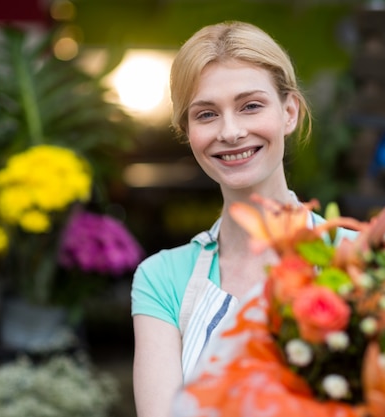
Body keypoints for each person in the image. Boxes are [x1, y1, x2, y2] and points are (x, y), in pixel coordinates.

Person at [130, 20, 355, 417]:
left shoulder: (353, 257)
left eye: (250, 106)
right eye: (206, 114)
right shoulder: (162, 278)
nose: (230, 132)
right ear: (187, 131)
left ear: (289, 112)